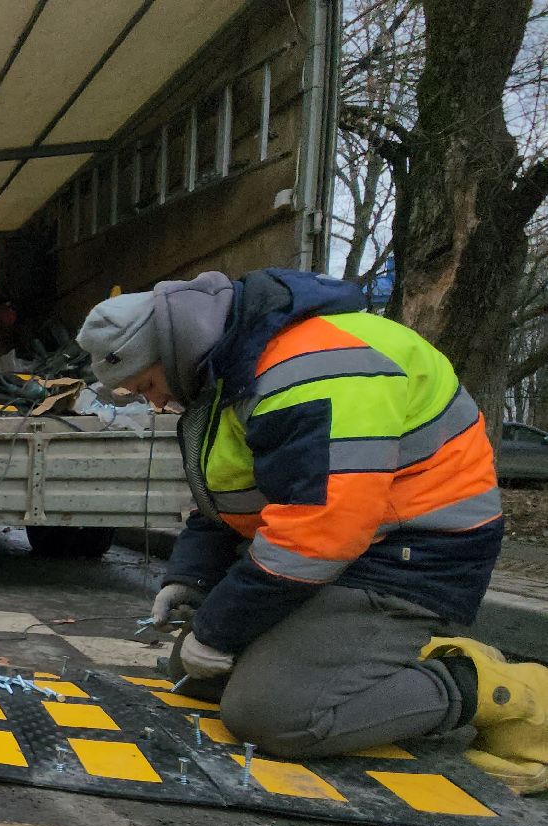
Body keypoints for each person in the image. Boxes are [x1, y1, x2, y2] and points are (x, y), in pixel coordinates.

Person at [76, 268, 545, 794]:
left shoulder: (309, 369)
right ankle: (363, 659)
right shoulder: (234, 368)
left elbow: (320, 532)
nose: (157, 403)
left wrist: (218, 630)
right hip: (352, 548)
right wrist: (192, 578)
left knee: (272, 715)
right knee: (196, 677)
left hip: (412, 555)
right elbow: (232, 494)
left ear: (170, 351)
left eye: (147, 386)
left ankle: (483, 685)